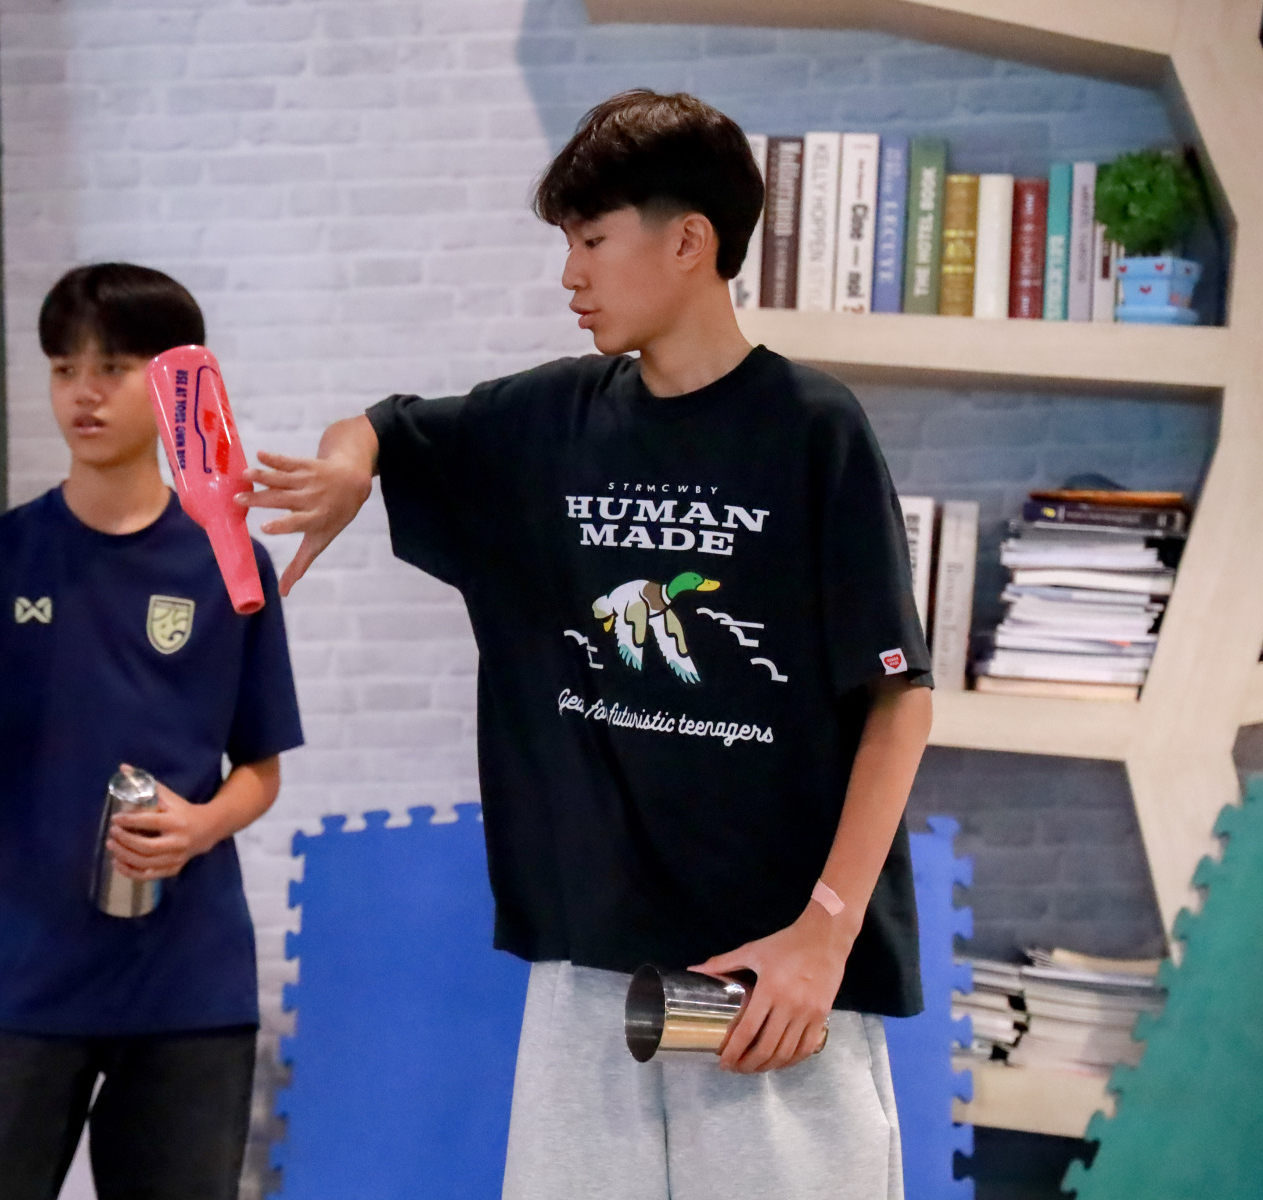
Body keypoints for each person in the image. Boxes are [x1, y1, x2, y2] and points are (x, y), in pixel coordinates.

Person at [243, 91, 933, 1200]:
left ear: (689, 241)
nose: (570, 274)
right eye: (567, 243)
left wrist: (826, 932)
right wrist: (344, 474)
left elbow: (900, 698)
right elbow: (384, 427)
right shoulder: (546, 421)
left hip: (775, 975)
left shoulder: (814, 431)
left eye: (593, 241)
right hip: (586, 970)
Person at [0, 263, 303, 1200]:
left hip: (187, 985)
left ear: (178, 381)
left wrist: (200, 825)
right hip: (16, 978)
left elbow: (260, 769)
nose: (83, 392)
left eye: (112, 366)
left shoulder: (229, 564)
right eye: (64, 368)